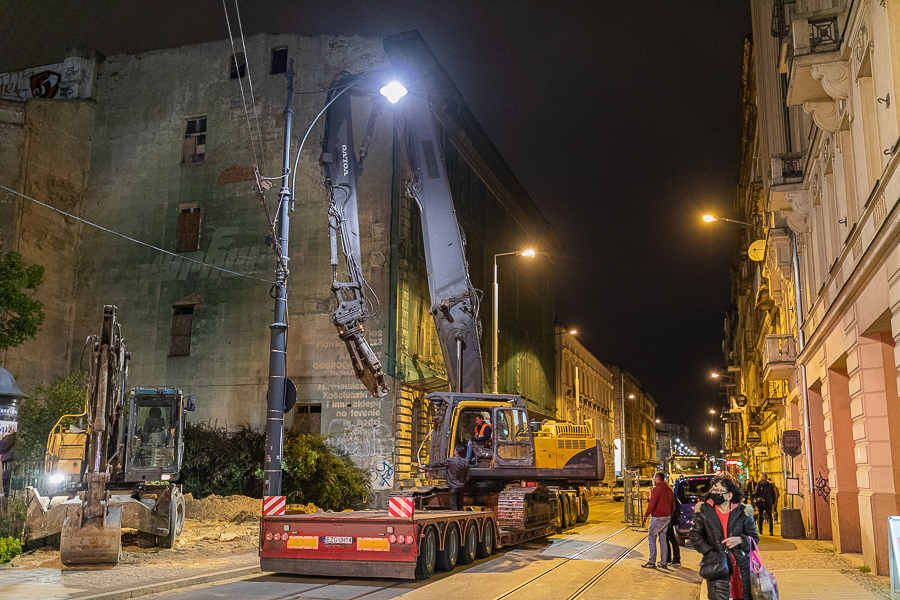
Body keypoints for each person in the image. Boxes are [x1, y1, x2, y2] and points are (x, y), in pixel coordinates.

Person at [689, 474, 759, 600]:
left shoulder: (743, 512)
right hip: (717, 568)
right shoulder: (704, 512)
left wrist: (740, 540)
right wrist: (711, 552)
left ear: (729, 495)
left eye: (719, 491)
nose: (715, 493)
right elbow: (695, 536)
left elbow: (754, 539)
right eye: (714, 490)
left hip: (741, 568)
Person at [641, 471, 675, 569]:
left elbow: (651, 505)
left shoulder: (656, 489)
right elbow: (673, 506)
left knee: (651, 537)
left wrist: (645, 516)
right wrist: (670, 516)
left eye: (654, 479)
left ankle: (652, 561)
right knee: (663, 538)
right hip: (667, 517)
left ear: (657, 479)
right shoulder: (669, 490)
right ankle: (663, 562)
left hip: (657, 517)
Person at [420, 444, 471, 511]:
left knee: (454, 506)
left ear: (456, 452)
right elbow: (468, 474)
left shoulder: (450, 461)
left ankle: (455, 518)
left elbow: (438, 464)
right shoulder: (465, 462)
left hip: (453, 486)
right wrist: (464, 482)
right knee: (460, 505)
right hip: (461, 486)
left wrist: (425, 466)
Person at [665, 481, 682, 567]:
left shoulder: (669, 495)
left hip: (668, 520)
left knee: (669, 539)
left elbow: (675, 507)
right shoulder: (671, 494)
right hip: (669, 520)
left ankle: (675, 559)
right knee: (668, 539)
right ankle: (671, 558)